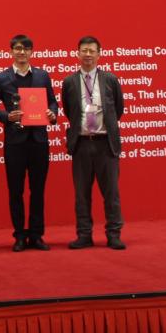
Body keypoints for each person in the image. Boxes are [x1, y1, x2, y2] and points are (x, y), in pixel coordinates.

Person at [0, 34, 59, 252]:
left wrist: (52, 113)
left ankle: (36, 235)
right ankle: (19, 235)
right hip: (15, 142)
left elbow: (53, 102)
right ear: (11, 51)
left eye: (26, 48)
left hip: (39, 140)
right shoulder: (1, 78)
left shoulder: (42, 76)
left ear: (31, 52)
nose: (22, 52)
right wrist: (6, 116)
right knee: (15, 191)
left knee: (38, 190)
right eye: (18, 48)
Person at [61, 35, 126, 250]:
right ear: (77, 53)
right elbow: (69, 111)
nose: (87, 54)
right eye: (84, 50)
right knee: (81, 195)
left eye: (92, 51)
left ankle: (113, 234)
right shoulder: (69, 82)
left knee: (111, 193)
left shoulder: (110, 79)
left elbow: (118, 109)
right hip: (81, 144)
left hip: (105, 144)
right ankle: (84, 235)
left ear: (99, 54)